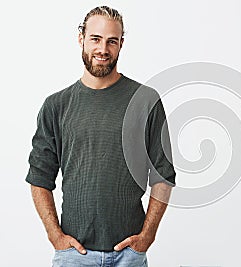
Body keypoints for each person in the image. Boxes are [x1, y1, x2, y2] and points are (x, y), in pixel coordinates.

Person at [26, 6, 176, 267]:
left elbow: (163, 173)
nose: (103, 49)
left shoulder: (145, 100)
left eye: (112, 41)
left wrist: (147, 236)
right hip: (74, 254)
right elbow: (39, 178)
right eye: (95, 39)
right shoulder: (56, 106)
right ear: (81, 38)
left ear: (121, 45)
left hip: (129, 254)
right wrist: (55, 236)